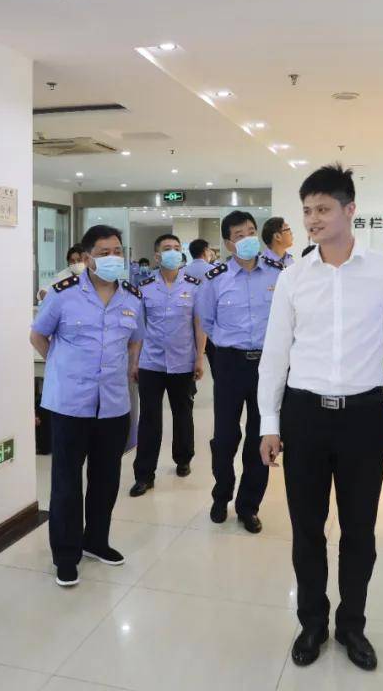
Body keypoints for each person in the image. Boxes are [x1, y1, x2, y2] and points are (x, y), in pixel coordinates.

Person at [257, 164, 383, 672]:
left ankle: (352, 626)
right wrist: (269, 421)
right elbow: (275, 353)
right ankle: (312, 622)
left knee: (359, 532)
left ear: (350, 210)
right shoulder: (293, 277)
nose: (312, 219)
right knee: (307, 530)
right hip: (304, 415)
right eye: (306, 211)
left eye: (323, 209)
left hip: (363, 416)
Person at [30, 225, 144, 587]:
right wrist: (62, 368)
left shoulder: (131, 296)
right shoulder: (63, 295)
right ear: (88, 257)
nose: (113, 258)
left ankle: (96, 540)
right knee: (65, 482)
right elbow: (37, 334)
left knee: (106, 478)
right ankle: (66, 554)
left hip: (112, 403)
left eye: (117, 251)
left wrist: (129, 368)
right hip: (69, 404)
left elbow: (135, 339)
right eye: (105, 252)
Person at [195, 210, 285, 534]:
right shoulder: (215, 278)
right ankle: (221, 495)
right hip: (230, 363)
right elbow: (206, 320)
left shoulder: (278, 273)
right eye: (239, 235)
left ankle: (249, 506)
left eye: (250, 231)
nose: (247, 239)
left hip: (268, 365)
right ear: (228, 243)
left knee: (262, 436)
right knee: (225, 436)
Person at [129, 234, 206, 497]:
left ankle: (183, 459)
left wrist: (199, 357)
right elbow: (140, 327)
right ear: (157, 256)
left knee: (182, 413)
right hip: (151, 361)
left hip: (183, 360)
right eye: (166, 249)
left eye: (176, 248)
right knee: (149, 419)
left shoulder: (194, 285)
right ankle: (144, 474)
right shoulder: (145, 286)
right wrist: (135, 361)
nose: (172, 252)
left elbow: (199, 324)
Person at [183, 239, 218, 379]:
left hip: (189, 324)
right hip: (211, 325)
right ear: (205, 251)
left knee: (188, 365)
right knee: (217, 367)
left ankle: (190, 390)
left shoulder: (183, 271)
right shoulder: (214, 271)